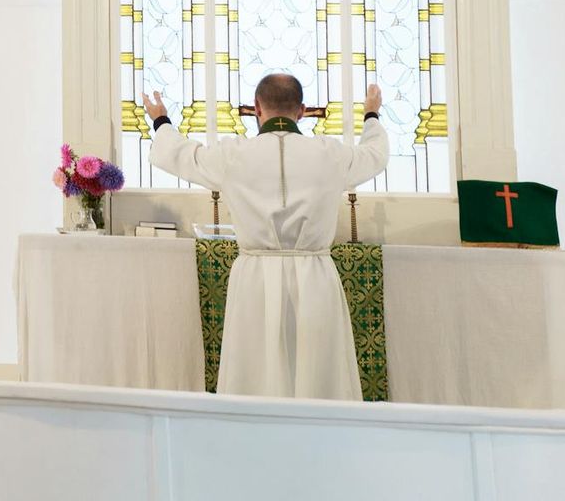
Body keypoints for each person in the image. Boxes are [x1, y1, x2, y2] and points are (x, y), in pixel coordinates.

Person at [143, 74, 388, 401]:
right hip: (315, 276)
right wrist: (371, 114)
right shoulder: (329, 153)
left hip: (255, 279)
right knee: (319, 375)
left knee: (256, 375)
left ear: (257, 107)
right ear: (301, 111)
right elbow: (374, 155)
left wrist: (161, 120)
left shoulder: (233, 155)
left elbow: (181, 155)